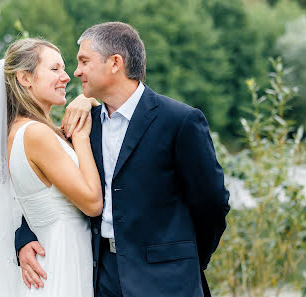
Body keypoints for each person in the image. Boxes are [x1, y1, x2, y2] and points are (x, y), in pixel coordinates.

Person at [17, 22, 230, 297]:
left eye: (84, 61)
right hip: (99, 276)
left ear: (115, 62)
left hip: (167, 281)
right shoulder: (82, 125)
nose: (76, 71)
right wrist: (24, 237)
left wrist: (184, 258)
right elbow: (49, 188)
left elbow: (212, 203)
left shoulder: (180, 121)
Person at [0, 38, 102, 297]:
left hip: (51, 257)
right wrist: (81, 137)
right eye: (55, 69)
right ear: (25, 78)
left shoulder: (23, 131)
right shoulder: (36, 135)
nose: (66, 77)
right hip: (59, 262)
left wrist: (86, 100)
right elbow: (92, 203)